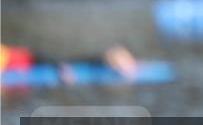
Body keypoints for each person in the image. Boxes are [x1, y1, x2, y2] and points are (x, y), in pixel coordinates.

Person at [1, 43, 139, 82]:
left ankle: (120, 60)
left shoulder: (5, 54)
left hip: (52, 63)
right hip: (46, 62)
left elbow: (36, 55)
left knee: (77, 61)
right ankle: (120, 59)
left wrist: (60, 68)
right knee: (81, 60)